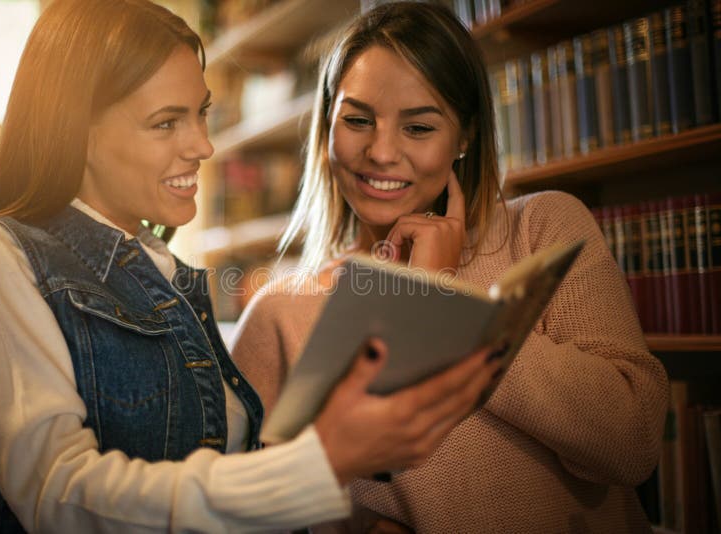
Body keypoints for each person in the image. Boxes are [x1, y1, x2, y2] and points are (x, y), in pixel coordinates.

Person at [0, 1, 503, 532]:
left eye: (201, 114)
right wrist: (320, 464)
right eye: (166, 122)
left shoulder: (167, 279)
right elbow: (60, 499)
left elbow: (229, 482)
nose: (203, 145)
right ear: (74, 129)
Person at [231, 2, 670, 532]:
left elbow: (633, 444)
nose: (381, 151)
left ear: (464, 137)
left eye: (418, 127)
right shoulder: (281, 312)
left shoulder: (544, 227)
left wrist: (444, 302)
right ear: (327, 127)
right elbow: (247, 508)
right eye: (357, 120)